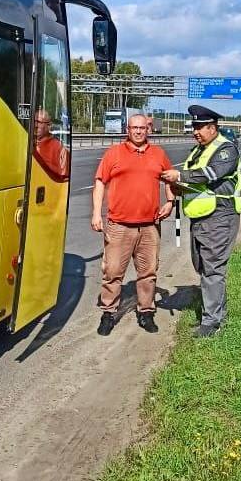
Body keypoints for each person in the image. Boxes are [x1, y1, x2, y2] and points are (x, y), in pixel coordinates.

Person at [161, 105, 241, 338]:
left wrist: (180, 176)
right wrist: (178, 187)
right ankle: (218, 312)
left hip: (219, 216)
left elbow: (211, 174)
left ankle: (211, 323)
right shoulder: (198, 150)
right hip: (200, 217)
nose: (195, 131)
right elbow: (196, 183)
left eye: (199, 127)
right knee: (203, 266)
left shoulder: (225, 149)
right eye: (193, 127)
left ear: (213, 127)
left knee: (213, 269)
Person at [92, 114, 175, 336]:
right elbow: (100, 182)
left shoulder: (158, 154)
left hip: (149, 227)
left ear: (148, 129)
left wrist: (170, 201)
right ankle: (108, 313)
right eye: (134, 128)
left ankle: (146, 312)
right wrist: (96, 214)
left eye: (142, 128)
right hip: (119, 226)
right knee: (112, 271)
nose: (138, 131)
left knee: (148, 272)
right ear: (127, 129)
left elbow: (169, 179)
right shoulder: (114, 153)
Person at [33, 108, 69, 180]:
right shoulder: (26, 143)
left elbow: (63, 178)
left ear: (49, 125)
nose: (36, 125)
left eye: (39, 122)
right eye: (34, 121)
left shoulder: (58, 148)